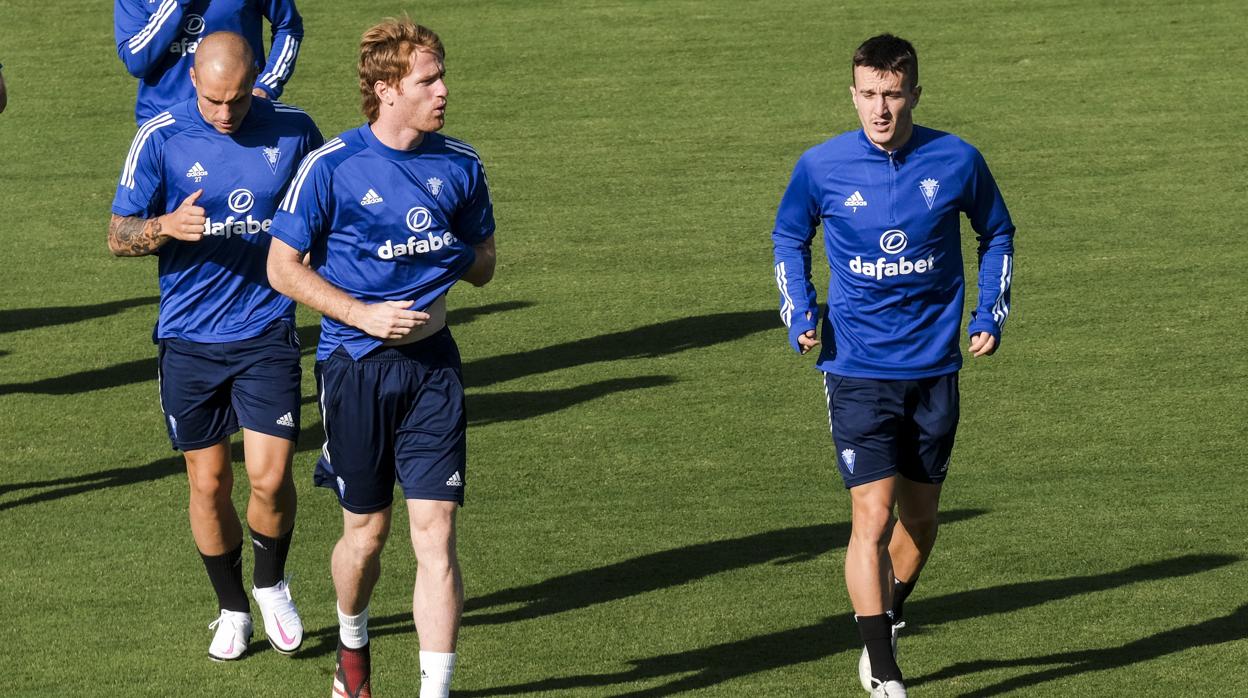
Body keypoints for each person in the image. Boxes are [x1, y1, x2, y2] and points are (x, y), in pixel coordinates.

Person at [770, 34, 1015, 698]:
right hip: (855, 369)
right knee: (870, 519)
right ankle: (882, 669)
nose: (880, 109)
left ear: (914, 94)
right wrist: (799, 313)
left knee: (921, 521)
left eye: (893, 94)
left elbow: (998, 231)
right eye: (869, 95)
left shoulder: (957, 159)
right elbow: (789, 234)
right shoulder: (821, 167)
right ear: (853, 94)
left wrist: (989, 314)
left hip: (934, 368)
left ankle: (888, 613)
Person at [267, 17, 496, 698]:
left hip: (434, 371)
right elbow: (282, 268)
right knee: (365, 537)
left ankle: (434, 691)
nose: (444, 90)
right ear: (388, 89)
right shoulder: (331, 167)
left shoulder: (460, 165)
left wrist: (456, 256)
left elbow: (484, 263)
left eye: (442, 75)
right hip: (355, 370)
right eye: (429, 79)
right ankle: (354, 644)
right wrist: (361, 312)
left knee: (437, 535)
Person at [108, 31, 323, 661]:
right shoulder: (161, 136)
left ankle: (271, 582)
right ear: (193, 82)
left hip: (264, 331)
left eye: (235, 101)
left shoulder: (294, 129)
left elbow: (324, 207)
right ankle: (231, 607)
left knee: (271, 477)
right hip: (188, 339)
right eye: (212, 101)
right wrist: (165, 226)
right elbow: (118, 234)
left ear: (254, 78)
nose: (225, 114)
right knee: (208, 484)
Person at [114, 0, 303, 124]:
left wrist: (267, 85)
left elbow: (288, 26)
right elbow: (136, 60)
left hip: (237, 116)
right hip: (168, 124)